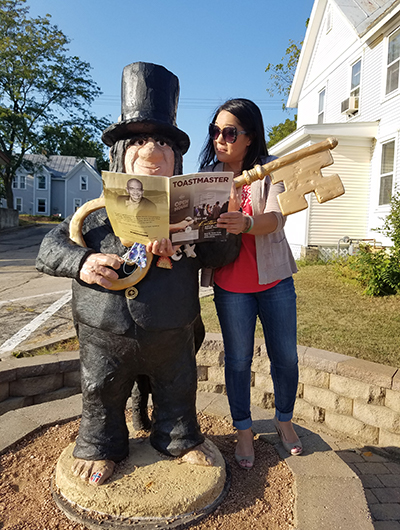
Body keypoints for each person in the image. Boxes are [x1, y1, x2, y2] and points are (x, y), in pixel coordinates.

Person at [36, 62, 240, 486]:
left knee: (178, 385)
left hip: (171, 327)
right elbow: (50, 248)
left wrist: (219, 227)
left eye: (163, 142)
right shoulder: (94, 214)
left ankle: (179, 437)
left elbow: (223, 252)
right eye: (141, 140)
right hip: (104, 329)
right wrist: (83, 262)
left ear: (176, 157)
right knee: (101, 389)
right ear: (120, 153)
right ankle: (99, 444)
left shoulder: (190, 211)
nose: (153, 149)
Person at [199, 98, 301, 470]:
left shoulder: (267, 172)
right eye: (215, 132)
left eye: (229, 132)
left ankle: (283, 419)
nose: (219, 139)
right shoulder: (206, 178)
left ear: (250, 136)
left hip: (274, 280)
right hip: (230, 286)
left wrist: (246, 223)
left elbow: (277, 218)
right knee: (238, 361)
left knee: (285, 358)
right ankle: (243, 428)